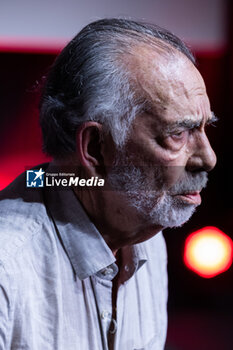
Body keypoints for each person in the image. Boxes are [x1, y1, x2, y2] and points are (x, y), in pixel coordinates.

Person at [0, 18, 216, 350]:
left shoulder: (147, 233)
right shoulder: (7, 268)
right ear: (96, 148)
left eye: (204, 128)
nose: (208, 158)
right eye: (177, 133)